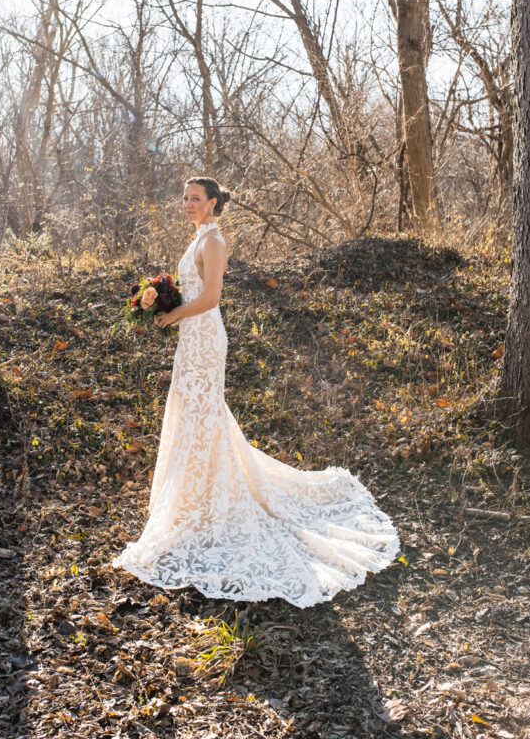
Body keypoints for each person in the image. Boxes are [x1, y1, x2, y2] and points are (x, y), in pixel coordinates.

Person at [111, 177, 400, 607]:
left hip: (206, 337)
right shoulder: (197, 238)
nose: (188, 204)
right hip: (192, 338)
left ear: (212, 204)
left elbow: (211, 298)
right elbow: (193, 291)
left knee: (205, 416)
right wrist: (165, 301)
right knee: (196, 417)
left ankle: (215, 502)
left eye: (196, 199)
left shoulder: (214, 242)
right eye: (185, 198)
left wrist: (173, 317)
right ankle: (197, 498)